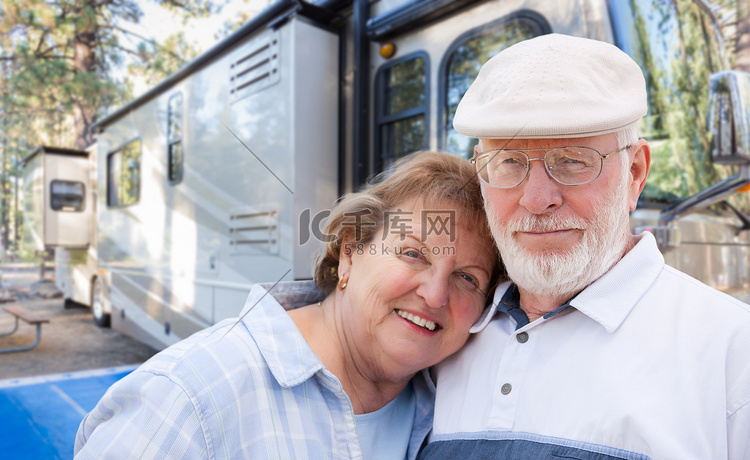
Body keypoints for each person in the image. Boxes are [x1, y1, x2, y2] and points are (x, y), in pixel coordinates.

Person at [420, 33, 750, 459]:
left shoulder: (732, 350)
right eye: (507, 163)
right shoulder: (442, 334)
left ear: (634, 173)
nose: (537, 199)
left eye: (572, 160)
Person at [74, 151, 503, 459]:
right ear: (351, 253)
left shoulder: (446, 406)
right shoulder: (189, 396)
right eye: (413, 253)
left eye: (468, 278)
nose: (435, 294)